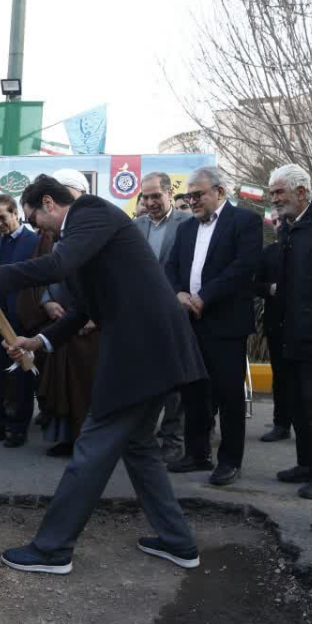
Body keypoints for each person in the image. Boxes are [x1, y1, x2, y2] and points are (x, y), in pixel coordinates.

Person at [0, 174, 207, 574]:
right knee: (139, 448)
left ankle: (53, 550)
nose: (36, 227)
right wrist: (39, 341)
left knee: (91, 446)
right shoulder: (80, 239)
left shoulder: (90, 212)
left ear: (51, 204)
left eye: (35, 218)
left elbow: (56, 266)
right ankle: (179, 542)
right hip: (154, 353)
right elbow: (83, 309)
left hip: (140, 354)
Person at [166, 167, 262, 486]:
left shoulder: (245, 222)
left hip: (226, 323)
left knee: (229, 393)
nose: (191, 201)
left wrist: (205, 296)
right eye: (189, 196)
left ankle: (229, 460)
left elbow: (244, 267)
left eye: (198, 195)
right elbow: (172, 268)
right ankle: (197, 453)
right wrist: (179, 292)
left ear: (219, 192)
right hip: (191, 322)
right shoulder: (185, 229)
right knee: (194, 392)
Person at [264, 165, 312, 500]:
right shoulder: (288, 227)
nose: (274, 199)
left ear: (301, 191)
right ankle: (307, 464)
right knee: (298, 401)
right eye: (272, 193)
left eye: (279, 192)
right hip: (289, 328)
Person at [17, 169, 99, 458]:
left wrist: (92, 314)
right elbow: (45, 274)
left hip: (91, 330)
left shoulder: (93, 227)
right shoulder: (49, 236)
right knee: (61, 388)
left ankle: (90, 447)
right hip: (61, 323)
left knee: (87, 390)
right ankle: (68, 440)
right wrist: (48, 302)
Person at [133, 171, 193, 463]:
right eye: (146, 197)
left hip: (178, 314)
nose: (151, 201)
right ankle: (145, 437)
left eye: (156, 195)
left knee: (176, 384)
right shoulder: (135, 226)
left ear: (170, 193)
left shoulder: (188, 223)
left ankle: (173, 438)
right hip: (144, 316)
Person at [0, 194, 40, 448]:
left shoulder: (33, 241)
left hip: (23, 321)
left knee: (22, 377)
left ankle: (18, 428)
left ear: (15, 213)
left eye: (2, 217)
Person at [257, 217, 292, 443]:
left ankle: (310, 426)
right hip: (275, 321)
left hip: (306, 323)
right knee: (281, 375)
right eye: (277, 221)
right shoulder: (268, 252)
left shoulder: (309, 250)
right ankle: (281, 424)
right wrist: (270, 288)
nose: (281, 225)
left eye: (285, 221)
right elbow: (253, 283)